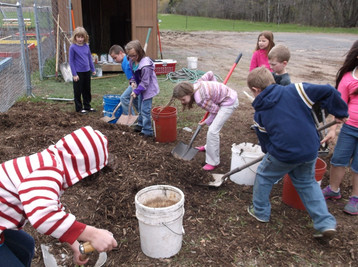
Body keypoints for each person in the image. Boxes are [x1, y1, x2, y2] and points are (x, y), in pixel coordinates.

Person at [247, 67, 348, 238]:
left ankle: (260, 211)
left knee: (264, 175)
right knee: (307, 183)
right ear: (272, 81)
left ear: (256, 90)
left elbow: (265, 142)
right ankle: (325, 223)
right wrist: (339, 111)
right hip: (309, 150)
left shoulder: (260, 113)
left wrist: (270, 153)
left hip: (283, 153)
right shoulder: (297, 91)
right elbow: (329, 90)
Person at [0, 126, 118, 266]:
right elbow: (43, 217)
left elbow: (52, 206)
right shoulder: (48, 171)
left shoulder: (52, 162)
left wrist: (74, 243)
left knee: (26, 246)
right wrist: (93, 234)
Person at [168, 71, 238, 171]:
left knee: (213, 131)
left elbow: (216, 111)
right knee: (212, 128)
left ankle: (213, 162)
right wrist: (216, 86)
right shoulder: (196, 83)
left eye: (183, 99)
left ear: (189, 93)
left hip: (229, 102)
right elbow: (210, 73)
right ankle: (208, 147)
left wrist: (207, 121)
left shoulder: (200, 99)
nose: (182, 102)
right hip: (224, 97)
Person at [321, 40, 358, 215]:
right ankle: (333, 189)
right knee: (338, 160)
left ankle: (355, 197)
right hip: (349, 128)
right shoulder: (348, 78)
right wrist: (333, 129)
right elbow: (340, 106)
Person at [125, 40, 160, 137]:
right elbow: (134, 74)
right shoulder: (132, 61)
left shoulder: (145, 66)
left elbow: (145, 82)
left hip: (148, 89)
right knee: (140, 108)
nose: (131, 58)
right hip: (140, 87)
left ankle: (147, 130)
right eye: (130, 56)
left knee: (145, 110)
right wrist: (132, 81)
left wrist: (136, 91)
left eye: (134, 55)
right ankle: (140, 125)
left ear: (139, 52)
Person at [69, 27, 96, 114]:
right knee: (78, 90)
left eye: (82, 37)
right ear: (75, 37)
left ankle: (87, 106)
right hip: (78, 72)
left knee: (87, 90)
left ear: (85, 37)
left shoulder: (86, 46)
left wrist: (93, 69)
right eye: (78, 37)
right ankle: (79, 108)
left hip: (86, 71)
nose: (80, 39)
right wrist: (74, 74)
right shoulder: (73, 47)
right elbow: (71, 61)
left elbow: (89, 58)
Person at [109, 44, 139, 115]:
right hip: (135, 82)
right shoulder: (125, 60)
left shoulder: (126, 62)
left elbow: (132, 78)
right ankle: (142, 116)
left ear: (120, 53)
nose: (114, 60)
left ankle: (130, 116)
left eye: (115, 58)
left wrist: (132, 87)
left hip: (137, 83)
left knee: (124, 98)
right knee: (135, 99)